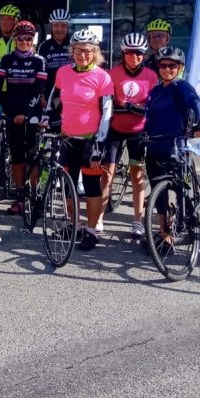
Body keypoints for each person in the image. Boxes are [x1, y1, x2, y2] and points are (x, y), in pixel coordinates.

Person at [43, 29, 113, 250]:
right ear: (71, 51)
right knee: (68, 186)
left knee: (91, 187)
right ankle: (75, 225)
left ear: (95, 52)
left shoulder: (102, 76)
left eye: (87, 51)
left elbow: (107, 112)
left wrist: (99, 142)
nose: (83, 55)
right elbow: (54, 100)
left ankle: (91, 231)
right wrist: (47, 117)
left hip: (90, 140)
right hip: (67, 138)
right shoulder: (63, 72)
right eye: (78, 50)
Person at [141, 46, 200, 250]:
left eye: (172, 66)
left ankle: (187, 220)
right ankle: (164, 233)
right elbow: (148, 117)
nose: (167, 69)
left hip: (176, 146)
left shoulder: (182, 86)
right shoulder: (155, 91)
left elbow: (195, 102)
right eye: (163, 65)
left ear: (180, 67)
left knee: (180, 190)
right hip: (155, 145)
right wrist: (142, 135)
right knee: (158, 194)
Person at [103, 33, 159, 237]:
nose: (134, 56)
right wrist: (125, 106)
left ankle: (137, 220)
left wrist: (137, 108)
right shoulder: (113, 73)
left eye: (138, 53)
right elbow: (107, 101)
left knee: (137, 175)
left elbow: (153, 104)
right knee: (107, 174)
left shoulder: (151, 75)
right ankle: (98, 219)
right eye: (130, 52)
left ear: (144, 55)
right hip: (115, 130)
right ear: (123, 53)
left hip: (138, 132)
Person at [0, 20, 47, 218]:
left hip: (31, 113)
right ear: (15, 39)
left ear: (33, 40)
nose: (24, 42)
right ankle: (20, 197)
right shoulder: (7, 59)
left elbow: (38, 90)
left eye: (28, 39)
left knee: (32, 154)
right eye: (21, 38)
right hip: (12, 112)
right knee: (17, 157)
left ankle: (35, 193)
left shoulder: (39, 61)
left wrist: (27, 113)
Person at [38, 8, 72, 98]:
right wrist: (41, 95)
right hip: (50, 93)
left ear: (68, 27)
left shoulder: (74, 44)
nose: (59, 29)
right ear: (51, 26)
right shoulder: (44, 46)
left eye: (63, 25)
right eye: (56, 25)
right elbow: (39, 72)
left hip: (72, 92)